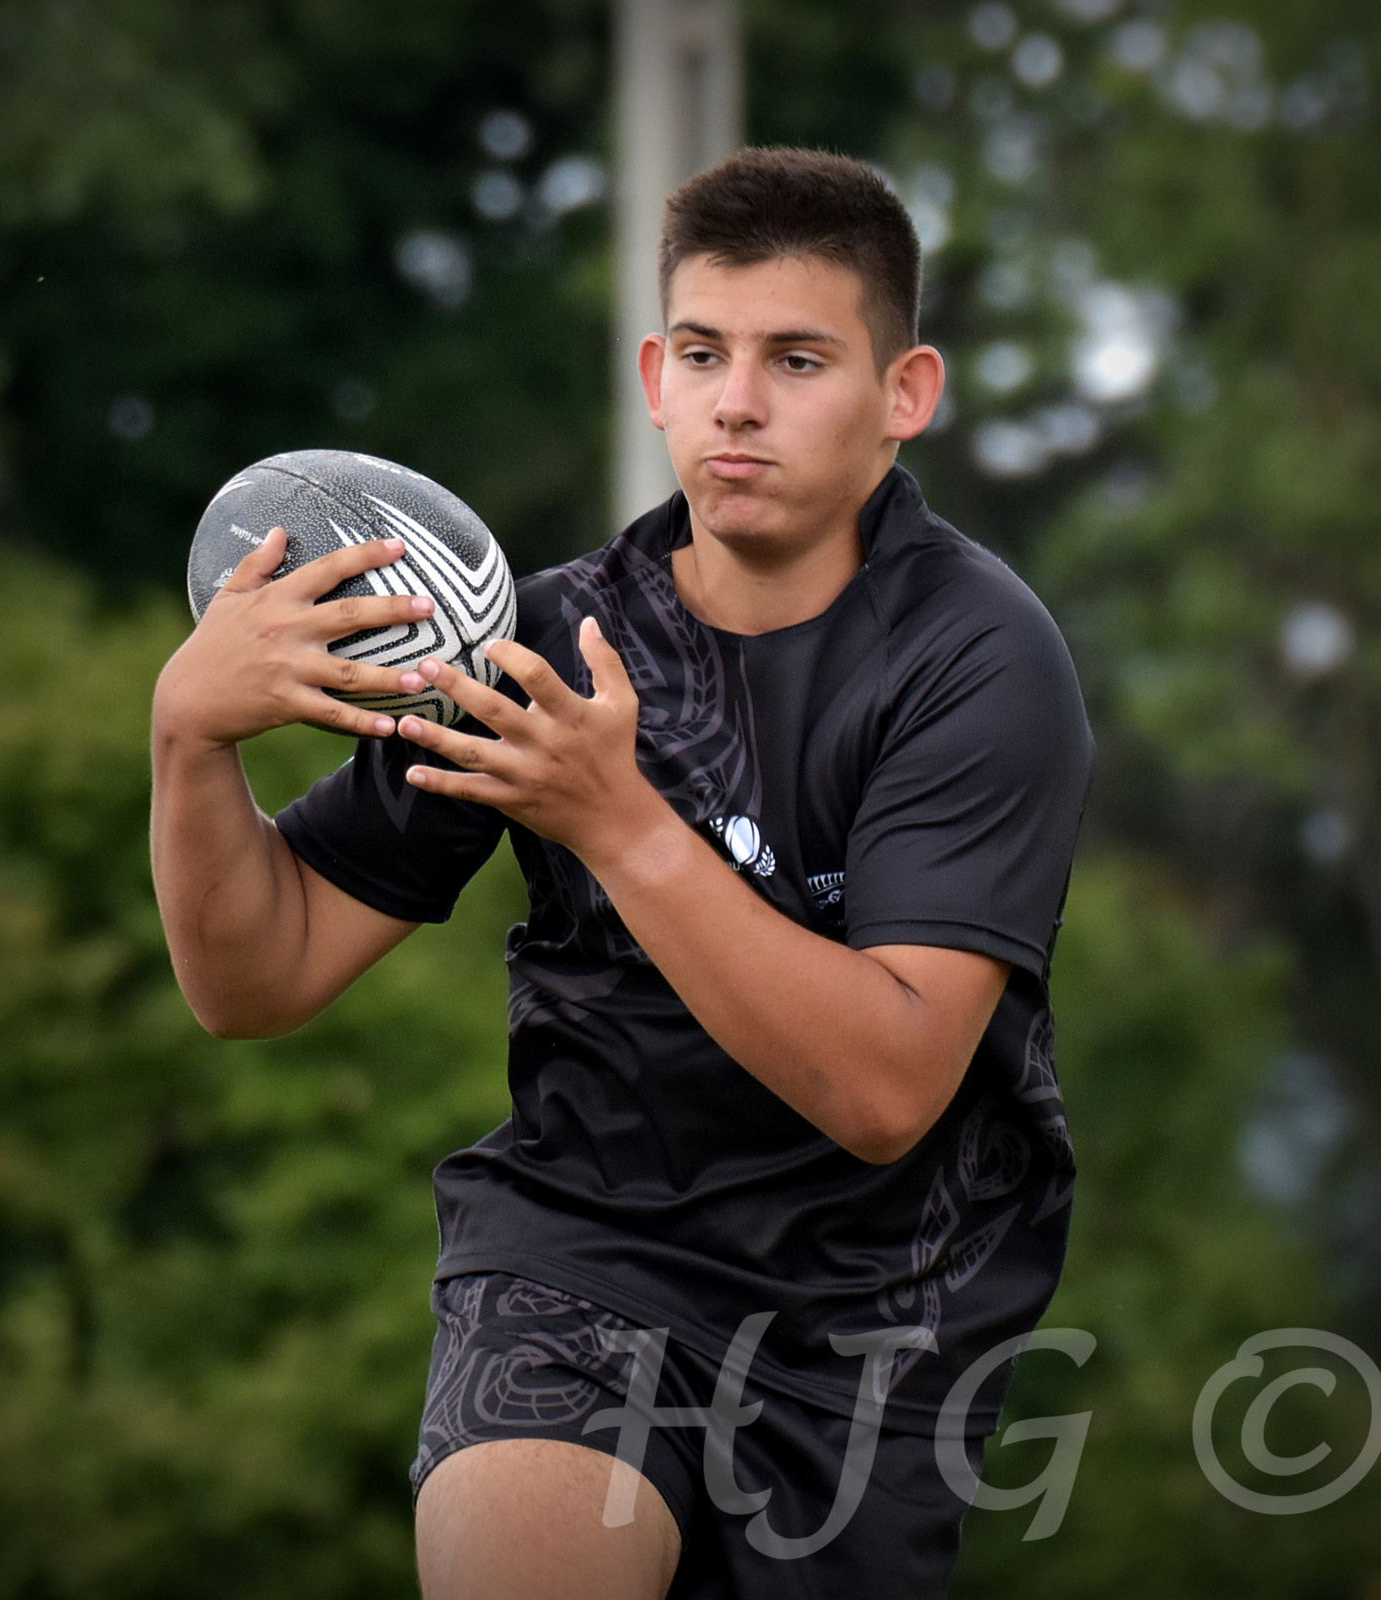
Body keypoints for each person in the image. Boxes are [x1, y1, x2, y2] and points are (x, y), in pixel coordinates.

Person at [151, 146, 1094, 1600]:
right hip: (577, 1262)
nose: (738, 402)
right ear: (654, 374)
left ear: (905, 395)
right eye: (706, 354)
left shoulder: (979, 662)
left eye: (797, 359)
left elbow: (888, 1087)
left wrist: (623, 823)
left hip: (872, 1328)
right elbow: (257, 978)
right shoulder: (537, 644)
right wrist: (189, 737)